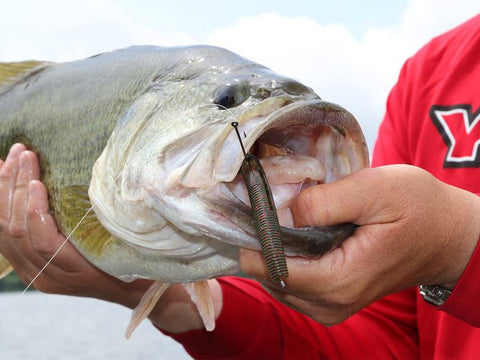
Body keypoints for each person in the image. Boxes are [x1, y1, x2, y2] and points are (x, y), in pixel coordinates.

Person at [2, 14, 480, 359]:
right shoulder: (429, 76)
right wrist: (165, 296)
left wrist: (459, 246)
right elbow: (386, 342)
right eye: (226, 100)